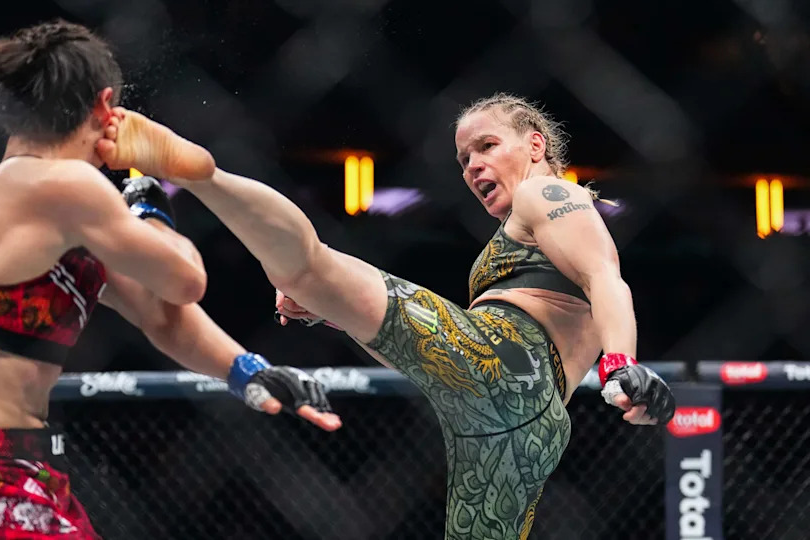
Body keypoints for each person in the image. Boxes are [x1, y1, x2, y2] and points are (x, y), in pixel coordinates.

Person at [98, 93, 676, 540]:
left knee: (308, 267)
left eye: (487, 146)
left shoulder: (547, 195)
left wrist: (622, 362)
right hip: (529, 425)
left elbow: (605, 276)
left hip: (507, 362)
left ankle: (200, 173)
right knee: (314, 283)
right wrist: (336, 313)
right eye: (464, 157)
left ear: (533, 144)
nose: (473, 165)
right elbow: (430, 362)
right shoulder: (527, 227)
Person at [0, 19, 340, 540]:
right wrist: (150, 198)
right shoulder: (59, 183)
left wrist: (248, 371)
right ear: (104, 105)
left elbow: (161, 313)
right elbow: (186, 278)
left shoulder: (27, 197)